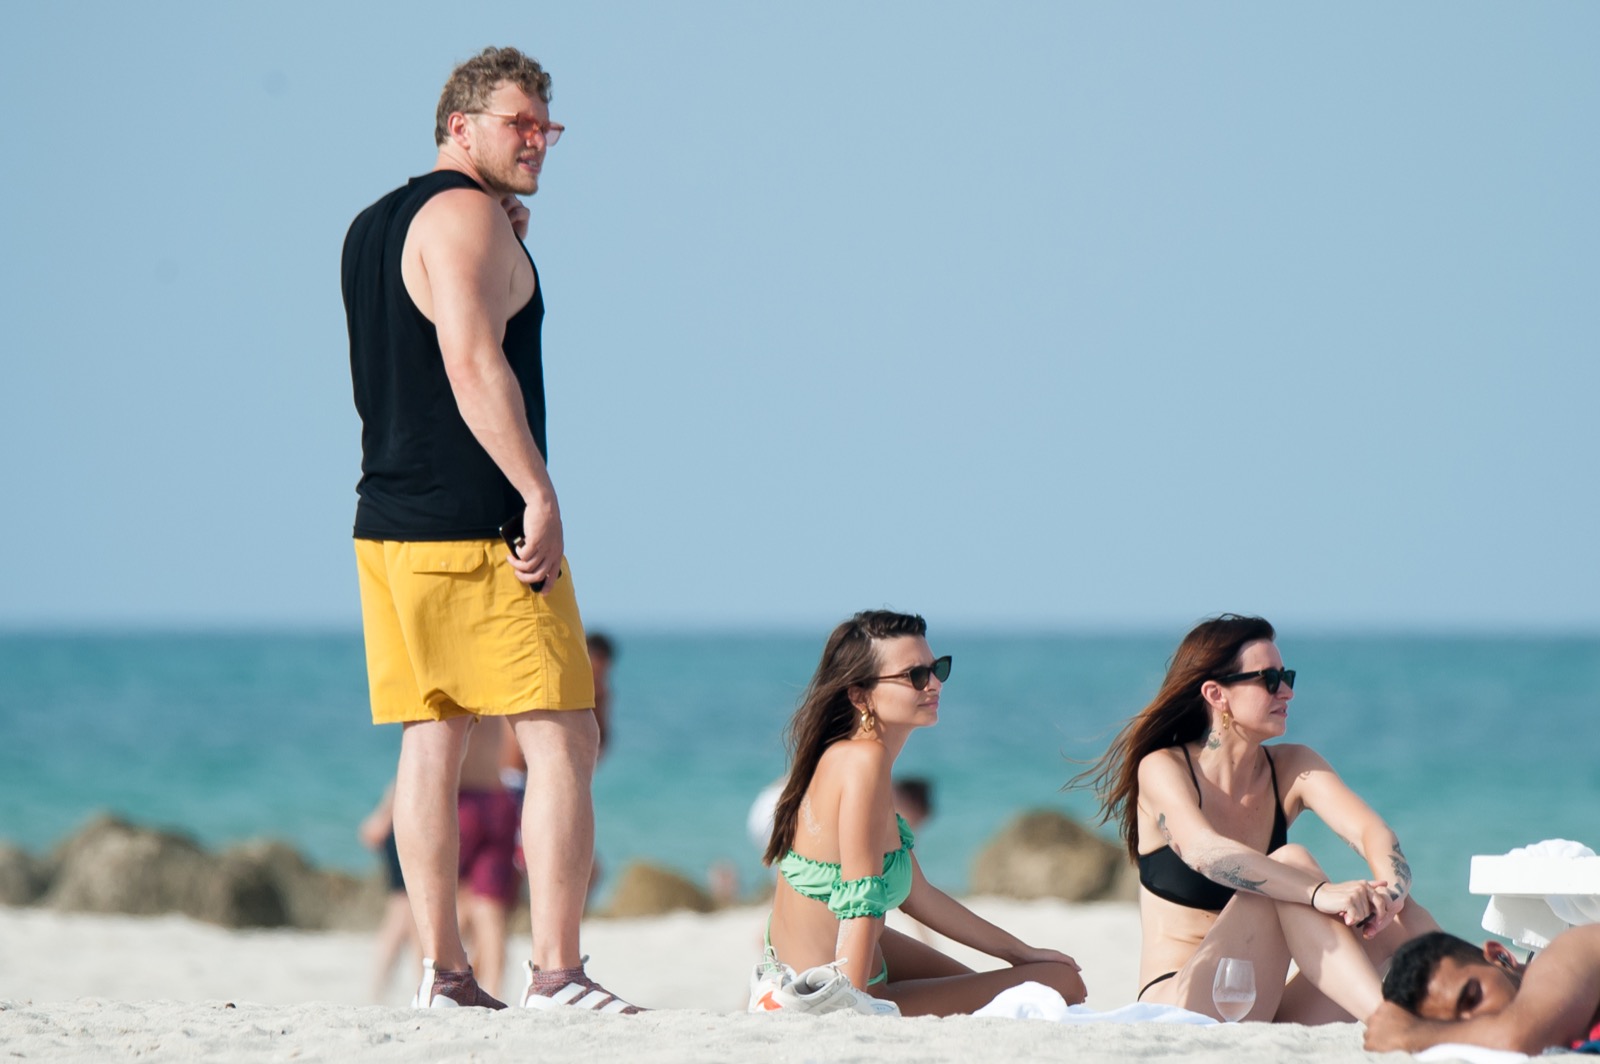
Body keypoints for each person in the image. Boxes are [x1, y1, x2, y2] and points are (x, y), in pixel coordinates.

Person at [341, 45, 638, 1013]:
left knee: (431, 740)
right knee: (563, 735)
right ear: (459, 125)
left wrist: (502, 241)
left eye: (548, 126)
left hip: (389, 525)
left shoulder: (375, 225)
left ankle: (446, 974)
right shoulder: (467, 217)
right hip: (480, 529)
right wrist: (537, 491)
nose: (538, 140)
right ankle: (556, 971)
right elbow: (472, 364)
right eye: (520, 123)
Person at [1071, 613, 1439, 1022]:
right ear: (1216, 694)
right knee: (1290, 861)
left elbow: (1372, 831)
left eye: (1287, 677)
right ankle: (1388, 1021)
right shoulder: (1164, 767)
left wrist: (1391, 894)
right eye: (1270, 680)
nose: (1287, 692)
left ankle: (1476, 1011)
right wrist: (1317, 892)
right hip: (1182, 1003)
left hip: (1260, 1001)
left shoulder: (1294, 767)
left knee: (1401, 918)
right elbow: (1203, 852)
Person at [755, 610, 1086, 1016]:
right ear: (859, 695)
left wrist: (1020, 952)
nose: (934, 684)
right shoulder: (863, 761)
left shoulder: (851, 756)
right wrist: (851, 1008)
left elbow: (919, 896)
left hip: (811, 969)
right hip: (828, 990)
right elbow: (860, 900)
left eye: (937, 669)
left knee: (1017, 983)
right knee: (1062, 983)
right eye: (915, 675)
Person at [1365, 927, 1600, 1054]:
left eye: (1472, 998)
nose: (1478, 1021)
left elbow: (1517, 1037)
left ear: (1499, 956)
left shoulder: (1570, 949)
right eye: (1458, 1026)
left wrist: (1410, 1034)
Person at [357, 784, 417, 1002]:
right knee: (404, 914)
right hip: (408, 828)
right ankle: (381, 989)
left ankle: (381, 988)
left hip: (404, 825)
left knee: (405, 917)